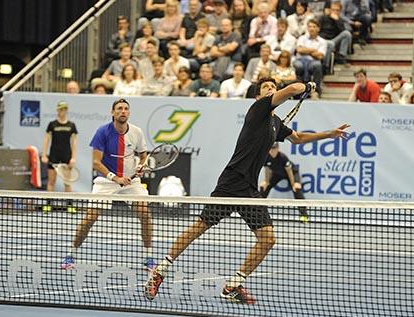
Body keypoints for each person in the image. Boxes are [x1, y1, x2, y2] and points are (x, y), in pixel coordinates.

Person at [144, 78, 350, 304]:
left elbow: (298, 139)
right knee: (200, 227)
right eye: (267, 88)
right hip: (231, 182)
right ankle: (160, 272)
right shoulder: (259, 108)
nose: (271, 90)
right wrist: (308, 86)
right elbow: (293, 89)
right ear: (258, 96)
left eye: (273, 87)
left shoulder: (275, 123)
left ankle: (232, 286)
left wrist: (328, 134)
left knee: (268, 239)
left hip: (250, 188)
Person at [60, 98, 155, 271]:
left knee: (145, 214)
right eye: (119, 108)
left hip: (130, 181)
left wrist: (141, 165)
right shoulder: (102, 132)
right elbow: (96, 162)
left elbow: (143, 155)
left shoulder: (136, 132)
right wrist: (114, 178)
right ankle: (70, 255)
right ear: (113, 113)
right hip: (106, 181)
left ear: (129, 112)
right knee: (90, 217)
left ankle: (148, 257)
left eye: (126, 109)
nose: (123, 111)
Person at [41, 101, 78, 213]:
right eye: (61, 109)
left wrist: (73, 157)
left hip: (66, 156)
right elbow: (46, 139)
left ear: (66, 110)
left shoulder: (71, 125)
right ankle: (48, 205)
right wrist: (44, 154)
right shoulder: (52, 124)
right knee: (51, 181)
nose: (62, 111)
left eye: (64, 109)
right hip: (54, 156)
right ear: (57, 110)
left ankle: (70, 206)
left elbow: (74, 142)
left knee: (67, 182)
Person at [259, 143, 308, 222]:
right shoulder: (266, 157)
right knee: (264, 187)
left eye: (274, 148)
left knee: (296, 188)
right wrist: (266, 181)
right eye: (271, 148)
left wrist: (293, 184)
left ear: (278, 148)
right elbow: (267, 169)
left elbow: (289, 171)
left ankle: (304, 215)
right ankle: (259, 214)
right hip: (278, 174)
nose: (272, 150)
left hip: (292, 173)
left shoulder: (283, 157)